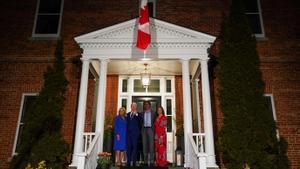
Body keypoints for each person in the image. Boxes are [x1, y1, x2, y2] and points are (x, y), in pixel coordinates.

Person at [126, 102, 141, 166]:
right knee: (128, 148)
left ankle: (134, 162)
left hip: (135, 134)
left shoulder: (139, 114)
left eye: (135, 106)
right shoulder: (127, 114)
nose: (134, 107)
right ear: (131, 106)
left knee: (135, 148)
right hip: (128, 134)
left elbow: (141, 121)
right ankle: (128, 162)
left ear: (136, 107)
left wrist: (136, 115)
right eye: (133, 106)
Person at [141, 101, 156, 166]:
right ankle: (145, 161)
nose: (146, 105)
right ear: (144, 106)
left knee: (151, 146)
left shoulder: (154, 113)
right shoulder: (142, 113)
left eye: (147, 104)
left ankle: (152, 161)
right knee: (144, 146)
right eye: (145, 104)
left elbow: (155, 122)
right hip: (144, 130)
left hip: (151, 129)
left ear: (150, 105)